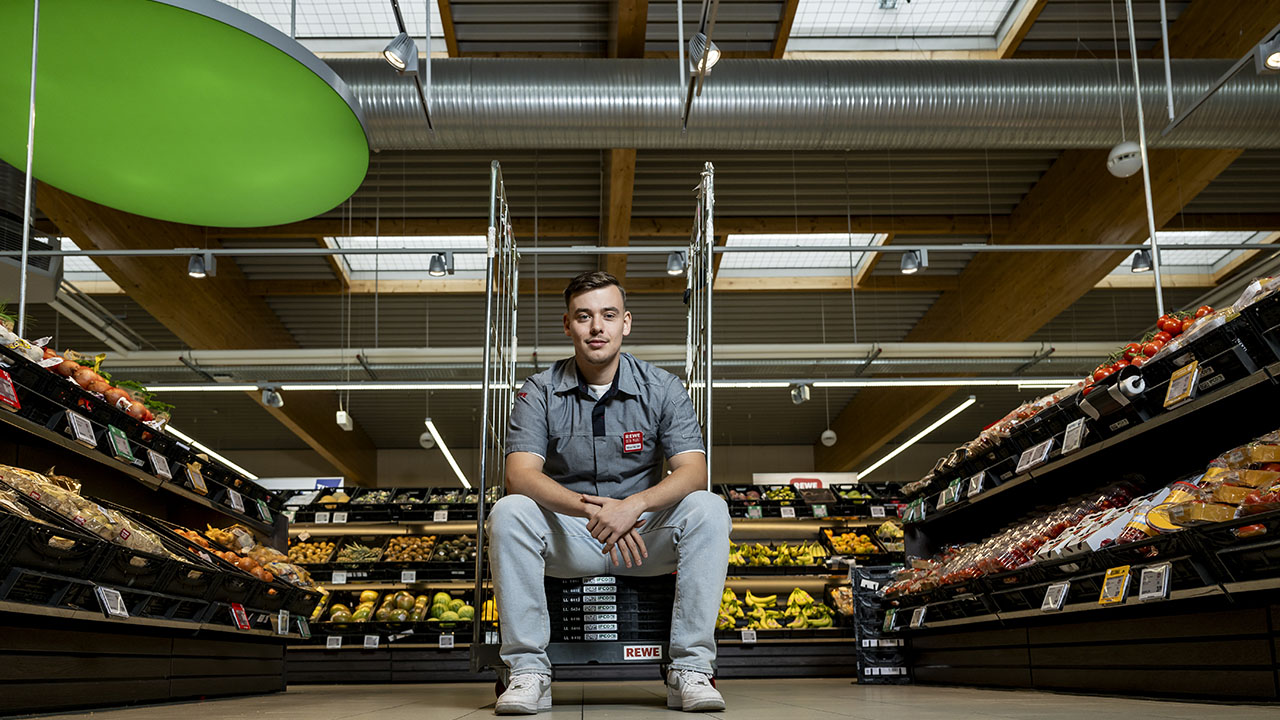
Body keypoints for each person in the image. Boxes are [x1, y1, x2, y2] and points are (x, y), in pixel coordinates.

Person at [486, 271, 731, 715]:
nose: (597, 327)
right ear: (568, 325)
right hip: (570, 538)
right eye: (584, 316)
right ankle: (528, 672)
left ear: (626, 322)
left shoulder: (664, 388)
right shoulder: (538, 391)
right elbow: (520, 476)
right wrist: (595, 510)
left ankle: (690, 669)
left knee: (709, 508)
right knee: (509, 510)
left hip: (642, 538)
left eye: (608, 314)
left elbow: (694, 471)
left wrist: (633, 506)